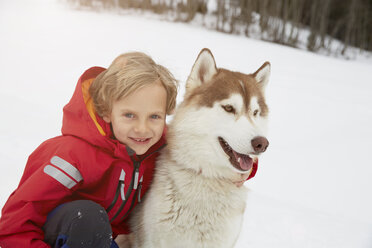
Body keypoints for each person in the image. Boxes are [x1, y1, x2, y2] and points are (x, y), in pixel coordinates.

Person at [0, 52, 178, 248]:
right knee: (88, 218)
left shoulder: (158, 154)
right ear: (106, 111)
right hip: (54, 236)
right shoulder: (73, 155)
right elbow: (15, 225)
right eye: (129, 115)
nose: (142, 128)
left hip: (104, 241)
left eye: (154, 116)